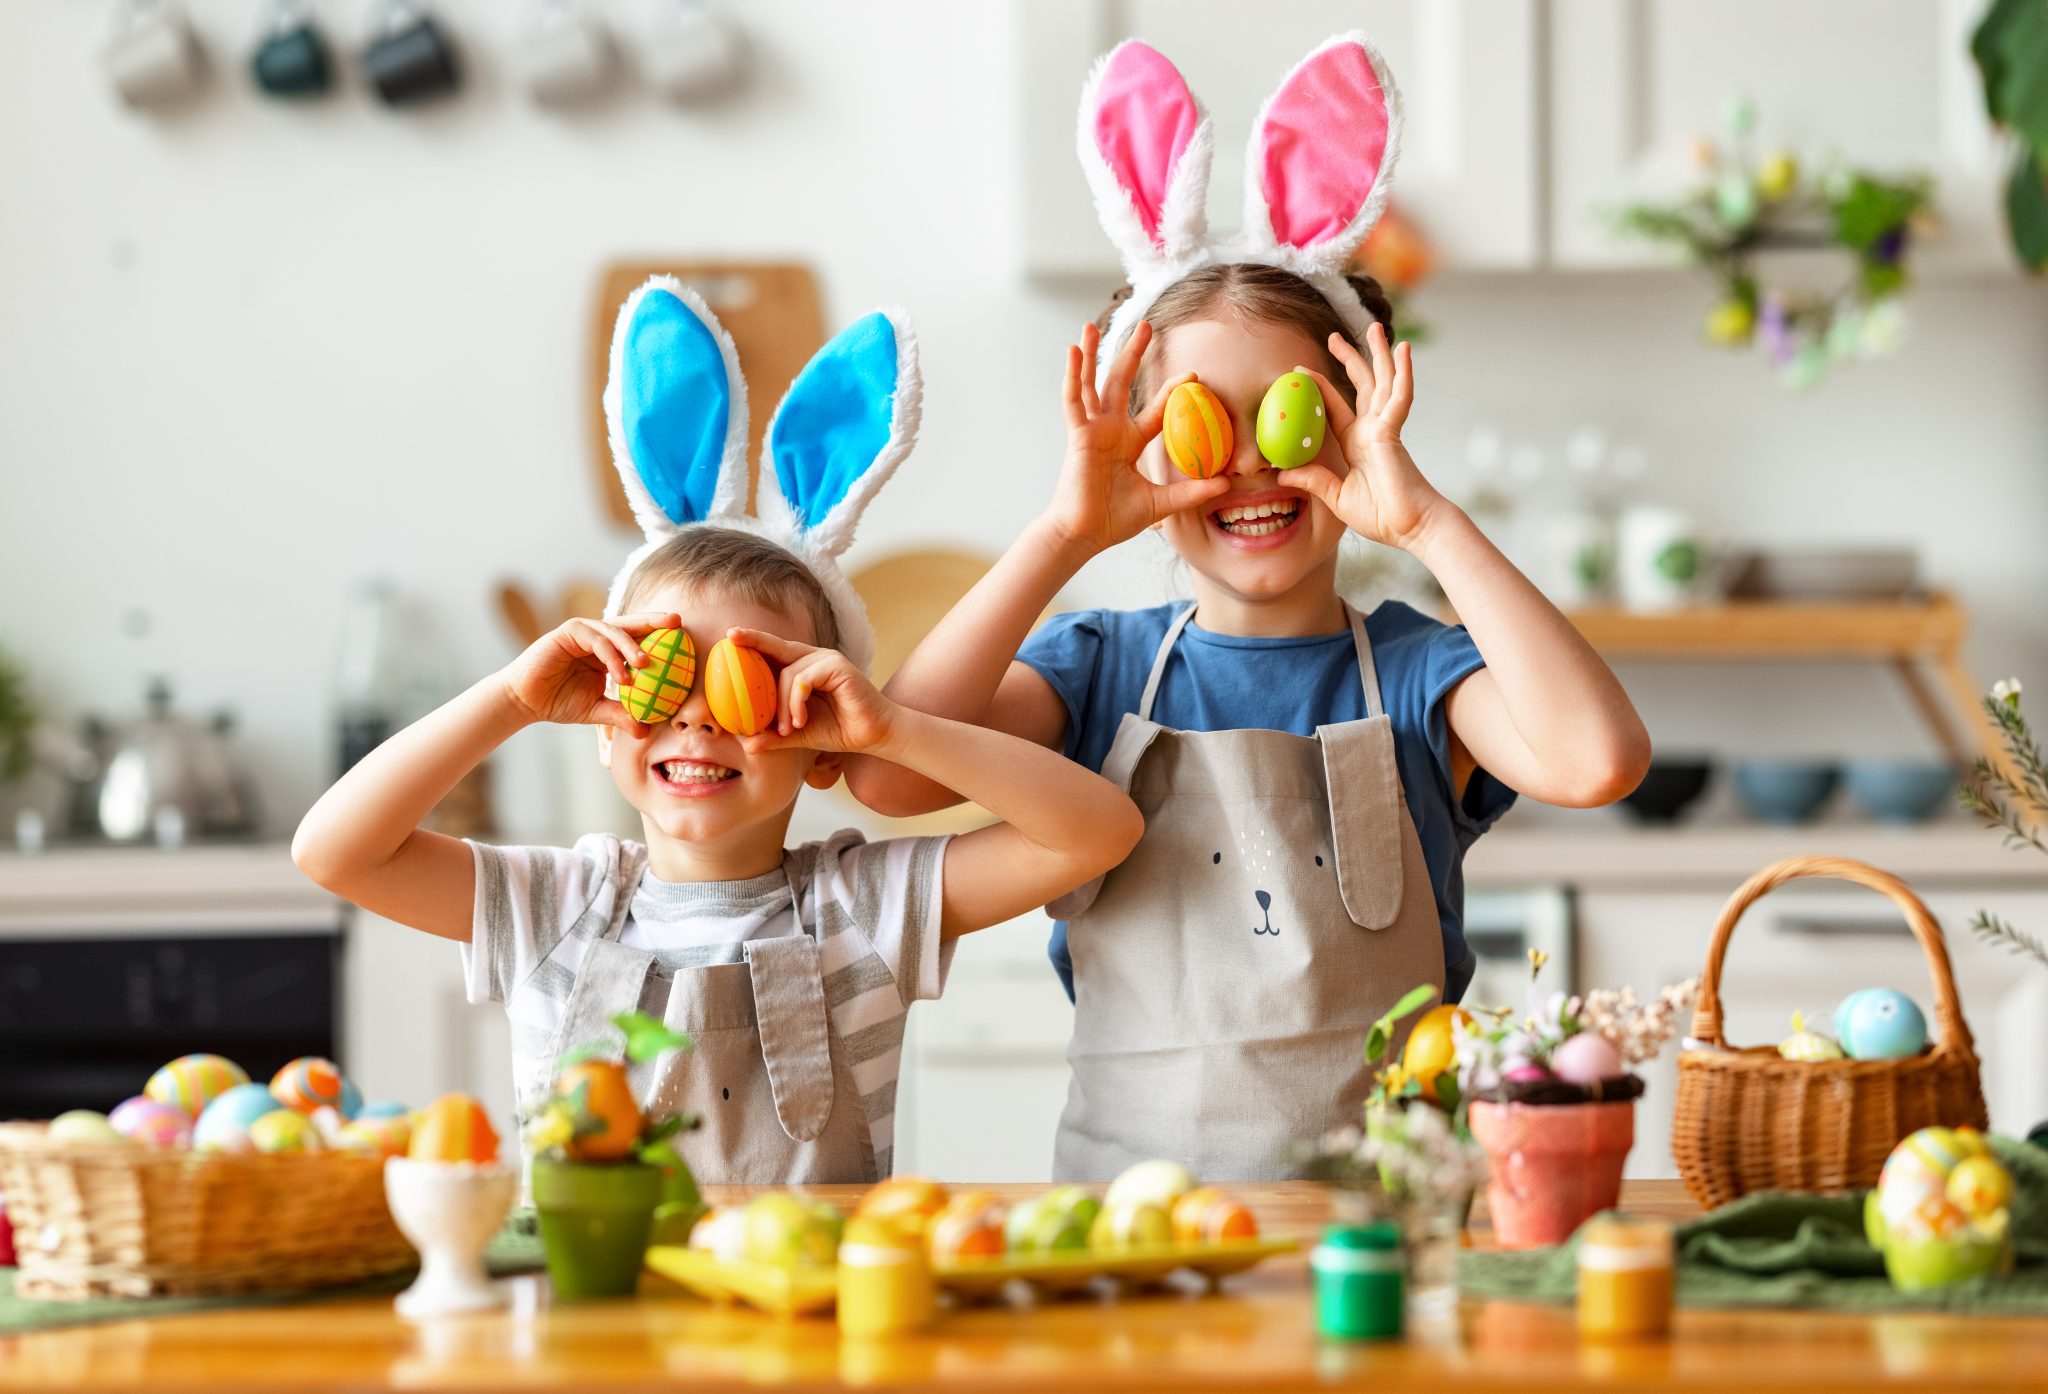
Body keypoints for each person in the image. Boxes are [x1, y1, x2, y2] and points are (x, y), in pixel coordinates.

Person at [848, 37, 1650, 1180]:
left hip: (1380, 1235)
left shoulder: (1427, 675)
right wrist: (1064, 530)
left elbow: (1597, 759)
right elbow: (890, 774)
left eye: (1288, 418)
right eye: (1195, 427)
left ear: (1358, 418)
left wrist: (1421, 519)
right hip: (1134, 1240)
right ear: (1138, 447)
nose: (1250, 473)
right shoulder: (1093, 672)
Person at [294, 283, 1143, 1183]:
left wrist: (891, 731)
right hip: (602, 1320)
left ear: (821, 743)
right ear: (602, 725)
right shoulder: (553, 907)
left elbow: (1098, 831)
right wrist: (511, 697)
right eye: (663, 679)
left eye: (745, 686)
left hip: (814, 1317)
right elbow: (335, 853)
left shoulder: (866, 909)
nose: (696, 713)